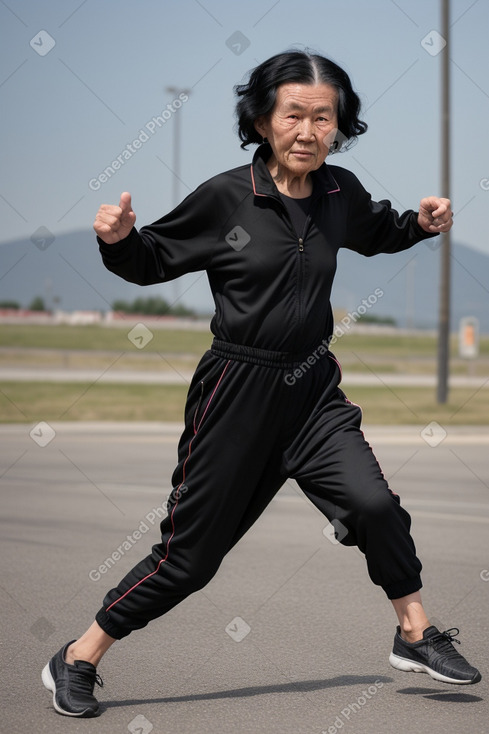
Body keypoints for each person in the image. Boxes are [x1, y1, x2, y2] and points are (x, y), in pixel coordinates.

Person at [42, 50, 481, 718]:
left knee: (374, 506)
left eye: (323, 117)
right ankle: (78, 656)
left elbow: (377, 230)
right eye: (294, 115)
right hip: (235, 394)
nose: (308, 130)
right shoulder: (227, 196)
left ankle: (414, 631)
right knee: (187, 562)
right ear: (263, 120)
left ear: (340, 125)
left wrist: (420, 225)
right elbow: (153, 259)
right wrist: (120, 240)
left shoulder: (340, 194)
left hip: (311, 391)